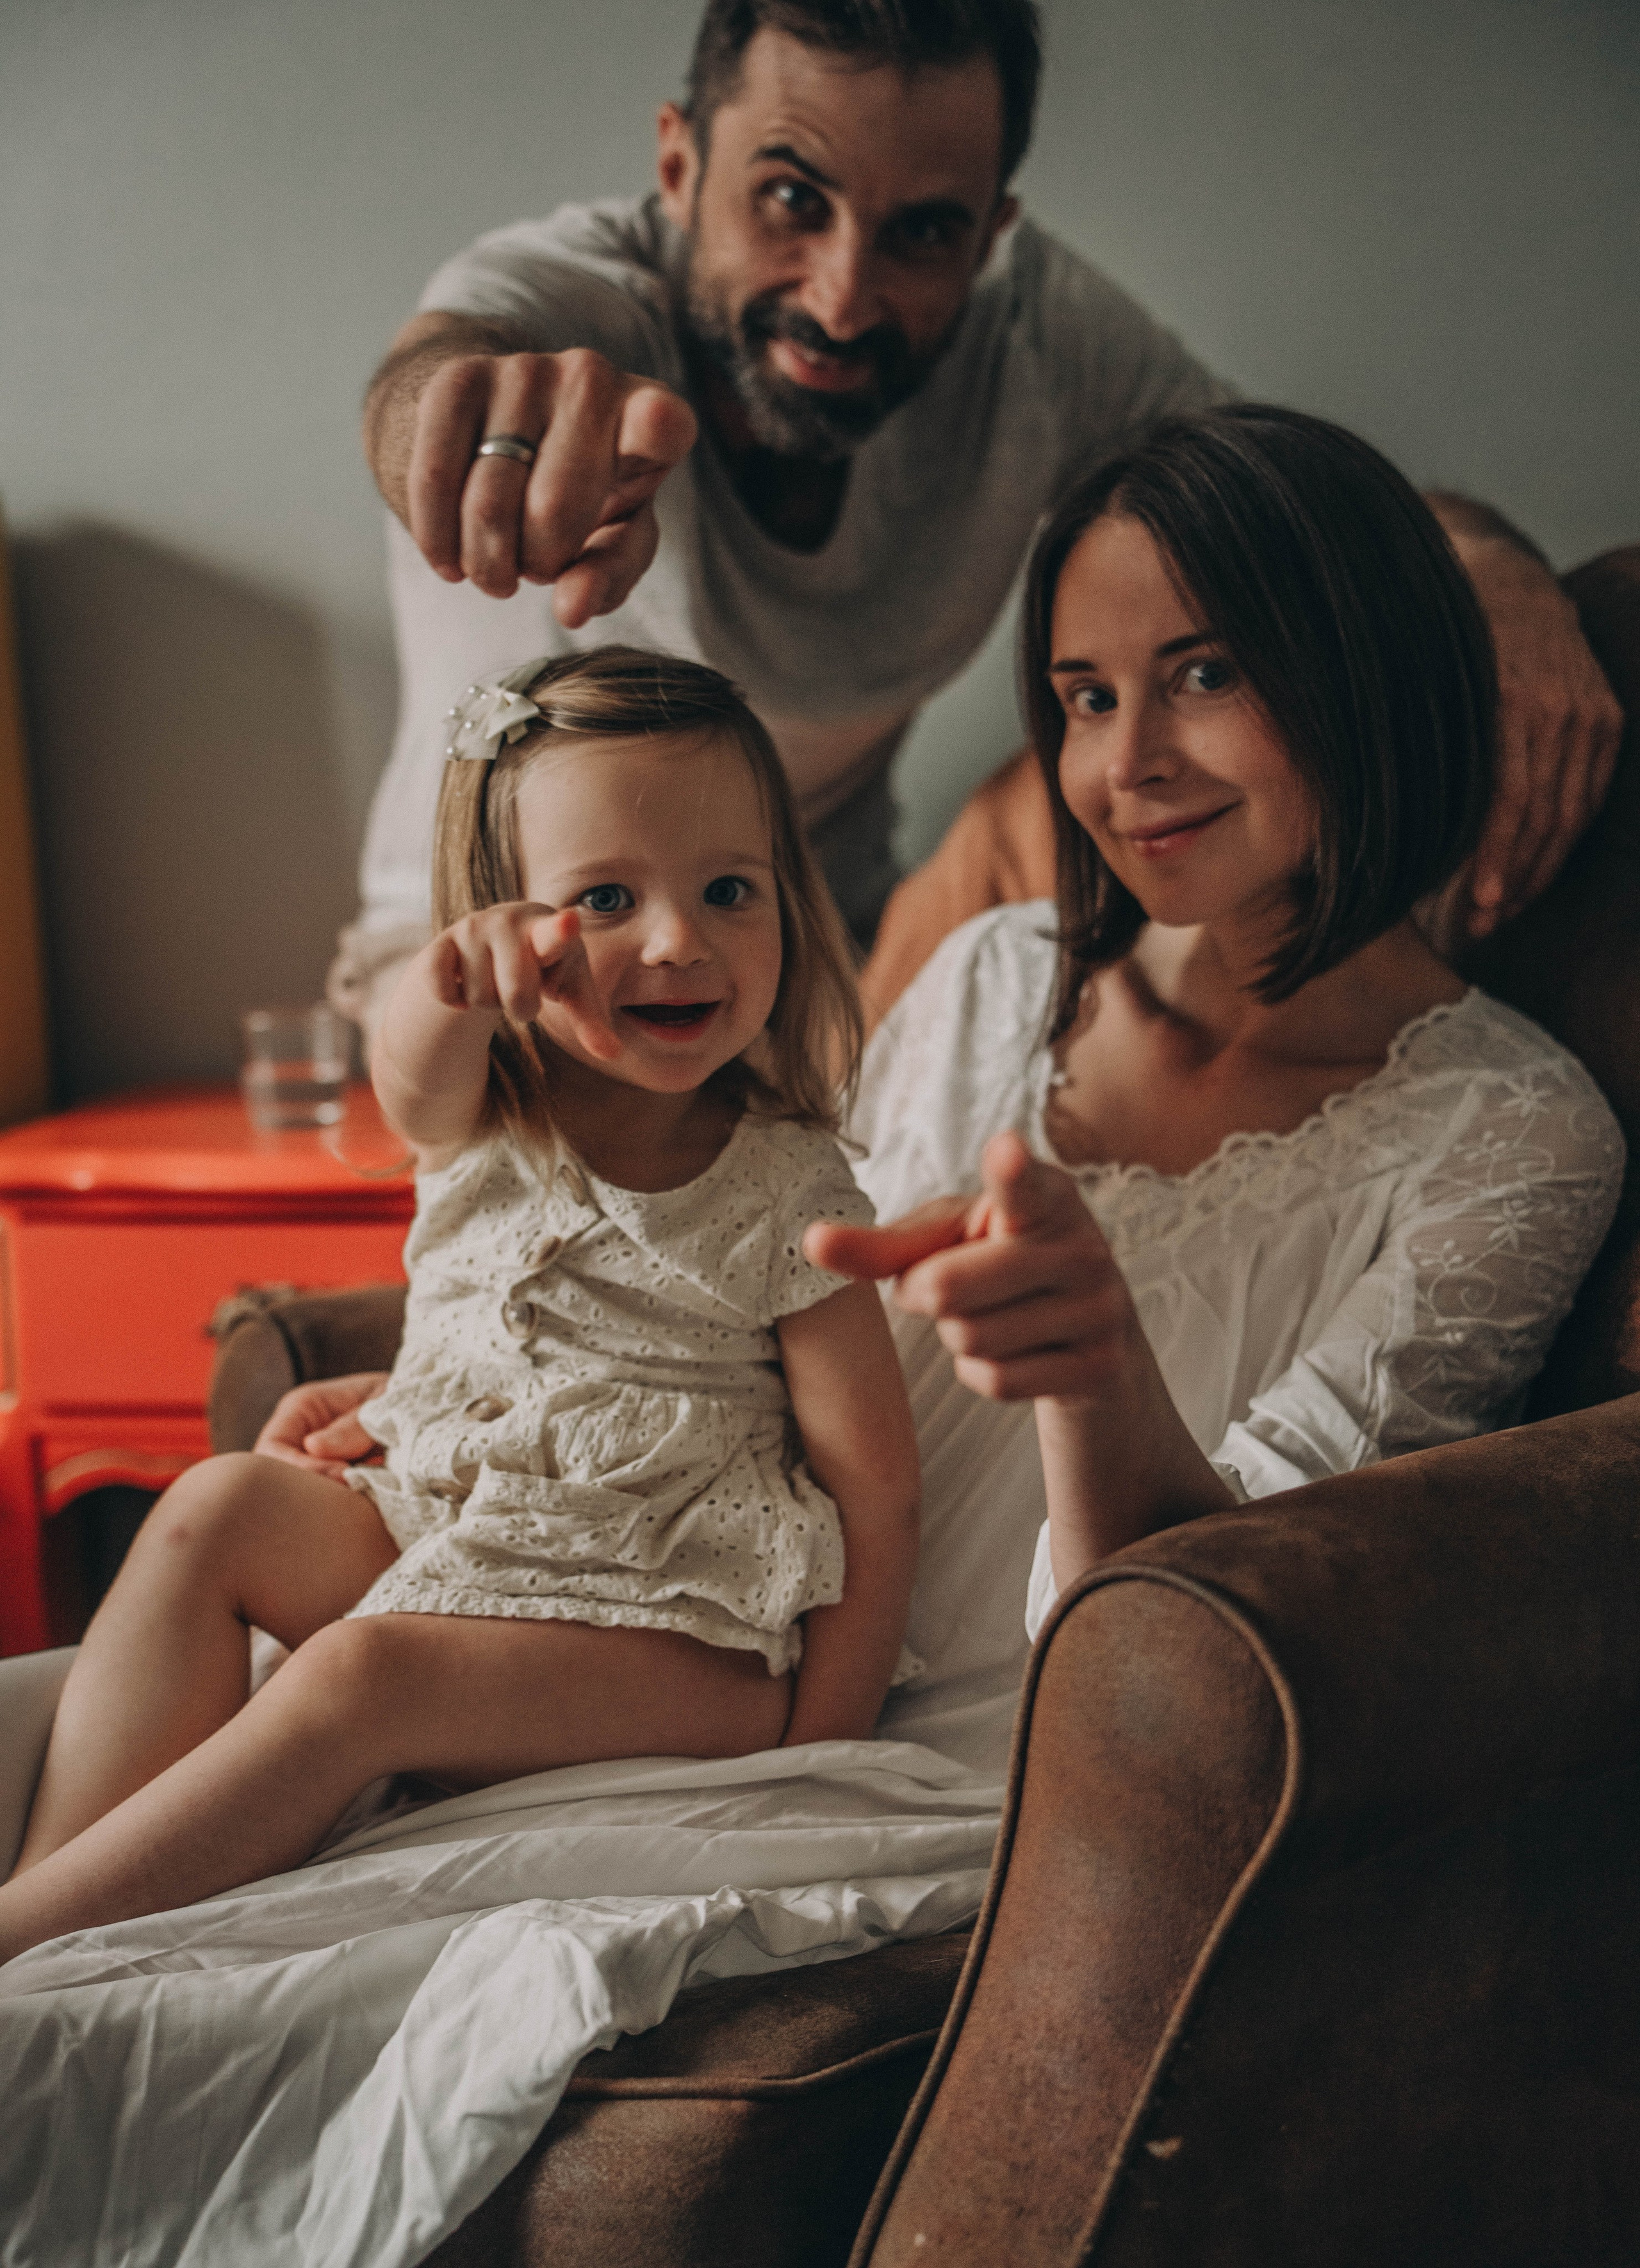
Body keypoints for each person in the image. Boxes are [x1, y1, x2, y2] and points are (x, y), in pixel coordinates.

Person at [341, 0, 1621, 1029]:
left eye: (920, 233)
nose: (842, 301)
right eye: (790, 200)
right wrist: (472, 434)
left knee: (1049, 796)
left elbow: (1296, 518)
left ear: (991, 231)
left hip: (823, 964)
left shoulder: (1036, 335)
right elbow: (431, 384)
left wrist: (1492, 569)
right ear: (678, 163)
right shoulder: (570, 301)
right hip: (492, 971)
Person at [0, 649, 919, 1968]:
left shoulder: (783, 1180)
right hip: (461, 1531)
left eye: (730, 891)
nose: (676, 939)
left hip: (673, 1629)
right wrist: (442, 992)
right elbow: (408, 1070)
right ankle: (56, 1897)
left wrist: (815, 1747)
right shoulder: (484, 1104)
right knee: (213, 1507)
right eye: (603, 897)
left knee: (361, 1677)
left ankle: (22, 1931)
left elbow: (870, 1483)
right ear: (499, 930)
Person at [807, 405, 1625, 1631]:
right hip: (756, 1685)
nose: (1127, 760)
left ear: (1371, 671)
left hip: (1047, 1772)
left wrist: (1103, 1380)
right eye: (1086, 696)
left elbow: (1219, 1643)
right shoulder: (992, 973)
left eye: (1204, 674)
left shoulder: (1515, 1135)